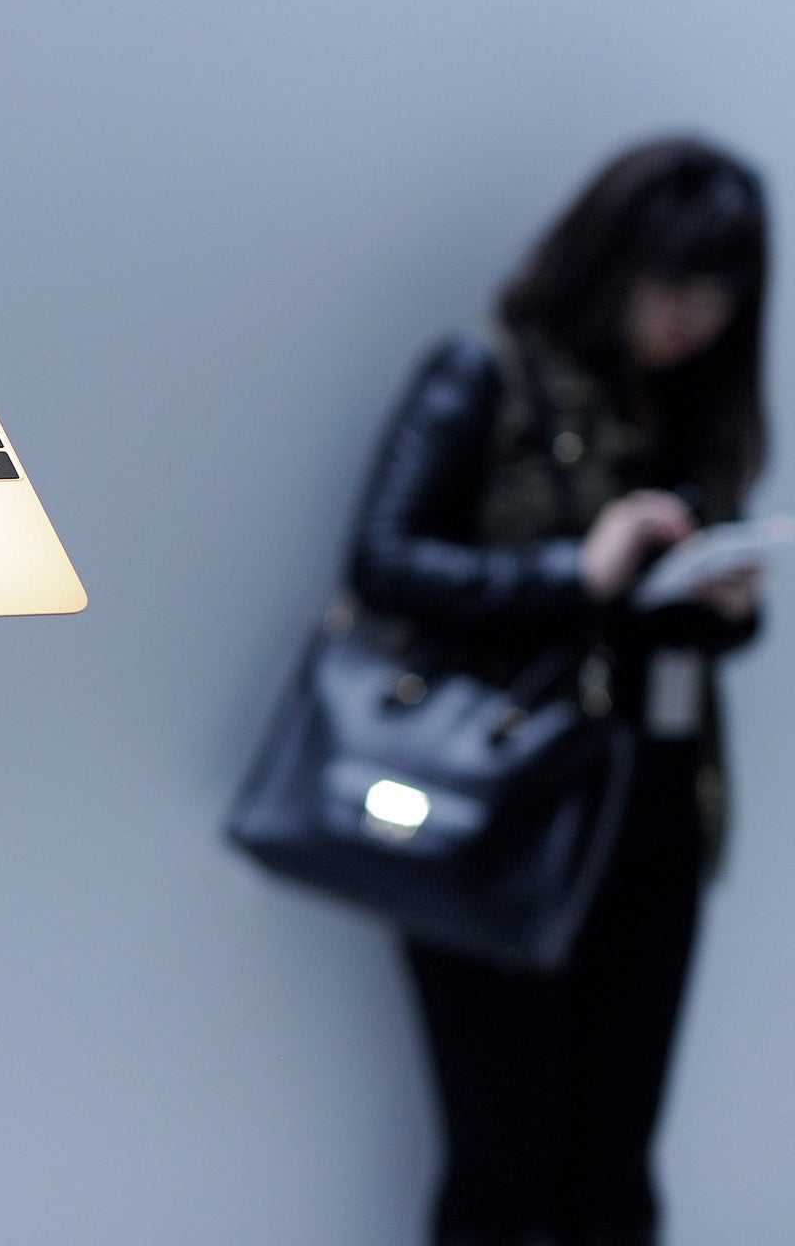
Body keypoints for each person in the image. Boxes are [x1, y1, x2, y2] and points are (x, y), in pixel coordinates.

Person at [346, 137, 770, 1246]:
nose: (692, 316)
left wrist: (719, 602)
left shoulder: (697, 412)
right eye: (672, 283)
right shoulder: (484, 372)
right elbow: (380, 565)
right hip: (499, 812)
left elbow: (654, 624)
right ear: (608, 258)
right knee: (500, 1164)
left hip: (657, 817)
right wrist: (575, 568)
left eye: (720, 293)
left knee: (615, 1168)